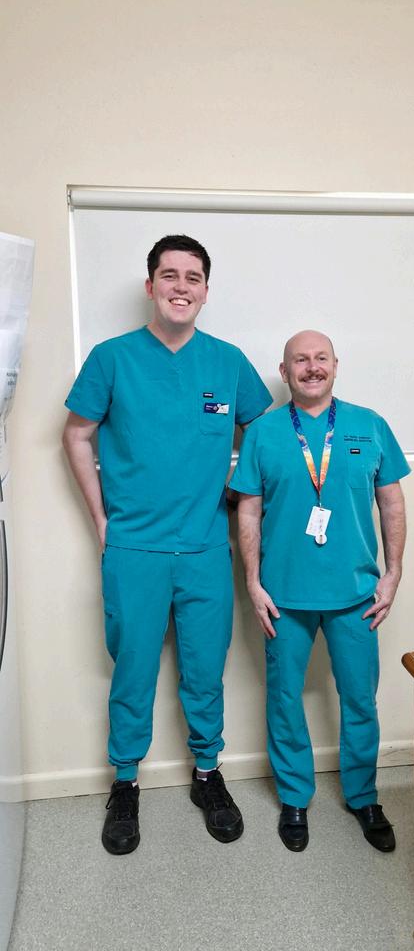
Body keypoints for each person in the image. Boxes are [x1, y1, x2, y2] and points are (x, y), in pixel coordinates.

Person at [62, 234, 272, 855]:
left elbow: (262, 439)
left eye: (193, 277)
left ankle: (207, 774)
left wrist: (238, 491)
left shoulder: (227, 362)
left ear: (206, 290)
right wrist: (101, 521)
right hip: (134, 550)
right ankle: (125, 783)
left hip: (206, 549)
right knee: (132, 671)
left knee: (205, 671)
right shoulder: (112, 358)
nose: (182, 287)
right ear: (150, 285)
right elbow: (76, 435)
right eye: (170, 275)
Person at [229, 330, 410, 853]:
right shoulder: (264, 433)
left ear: (335, 365)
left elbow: (392, 503)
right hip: (283, 597)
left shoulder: (369, 425)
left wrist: (393, 572)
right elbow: (248, 511)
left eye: (320, 358)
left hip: (356, 596)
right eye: (300, 360)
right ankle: (294, 797)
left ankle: (364, 796)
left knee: (359, 700)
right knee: (284, 698)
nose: (311, 367)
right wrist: (253, 582)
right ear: (284, 372)